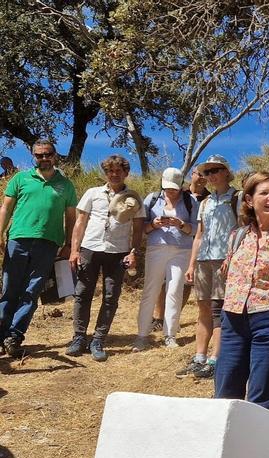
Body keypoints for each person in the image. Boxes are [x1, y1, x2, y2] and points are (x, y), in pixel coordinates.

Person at [214, 171, 269, 412]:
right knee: (225, 392)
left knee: (263, 394)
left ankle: (259, 448)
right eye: (264, 193)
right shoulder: (237, 236)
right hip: (232, 318)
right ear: (249, 200)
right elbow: (227, 271)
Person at [0, 139, 77, 358]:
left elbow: (71, 217)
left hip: (48, 243)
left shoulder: (66, 184)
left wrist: (69, 244)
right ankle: (0, 334)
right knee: (9, 290)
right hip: (18, 240)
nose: (44, 158)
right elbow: (5, 208)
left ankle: (14, 336)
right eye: (39, 155)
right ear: (33, 156)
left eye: (48, 154)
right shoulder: (20, 178)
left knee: (31, 292)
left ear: (55, 155)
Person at [66, 155, 144, 361]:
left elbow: (137, 230)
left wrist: (133, 252)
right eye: (110, 171)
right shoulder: (93, 193)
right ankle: (79, 337)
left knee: (111, 297)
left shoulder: (134, 198)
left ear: (126, 173)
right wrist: (74, 250)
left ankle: (99, 339)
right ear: (105, 173)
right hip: (90, 248)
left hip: (117, 251)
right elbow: (80, 223)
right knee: (83, 294)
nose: (114, 174)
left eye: (119, 171)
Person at [180, 155, 240, 379]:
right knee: (203, 308)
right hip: (204, 260)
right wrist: (191, 264)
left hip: (225, 260)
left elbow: (242, 230)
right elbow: (199, 235)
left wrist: (233, 258)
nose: (212, 175)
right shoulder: (205, 202)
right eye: (208, 172)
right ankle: (199, 357)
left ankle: (216, 360)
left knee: (219, 311)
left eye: (216, 170)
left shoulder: (237, 198)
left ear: (226, 172)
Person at [132, 167, 199, 351]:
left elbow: (196, 230)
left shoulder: (190, 201)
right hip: (156, 248)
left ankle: (170, 335)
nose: (170, 191)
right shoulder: (152, 199)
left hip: (181, 250)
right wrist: (153, 224)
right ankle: (142, 335)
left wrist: (181, 225)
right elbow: (141, 228)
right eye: (168, 187)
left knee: (175, 291)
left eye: (174, 188)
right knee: (150, 291)